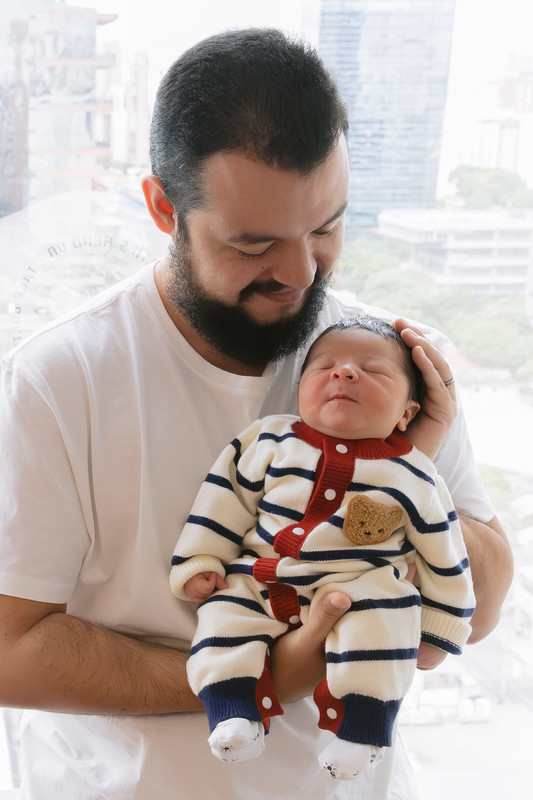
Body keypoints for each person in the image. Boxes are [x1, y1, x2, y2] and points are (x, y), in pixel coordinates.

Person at [0, 27, 513, 800]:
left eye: (325, 227)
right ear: (161, 206)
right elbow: (5, 657)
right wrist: (258, 678)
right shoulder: (58, 379)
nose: (298, 273)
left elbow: (475, 613)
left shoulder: (383, 365)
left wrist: (413, 462)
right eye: (253, 244)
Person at [172, 317, 474, 781]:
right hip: (262, 579)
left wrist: (439, 629)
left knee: (385, 618)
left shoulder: (415, 473)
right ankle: (233, 710)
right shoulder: (267, 439)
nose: (345, 373)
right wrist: (199, 560)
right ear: (299, 394)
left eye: (372, 370)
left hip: (357, 588)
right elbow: (223, 498)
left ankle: (363, 730)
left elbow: (444, 553)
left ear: (406, 414)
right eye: (325, 366)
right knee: (222, 618)